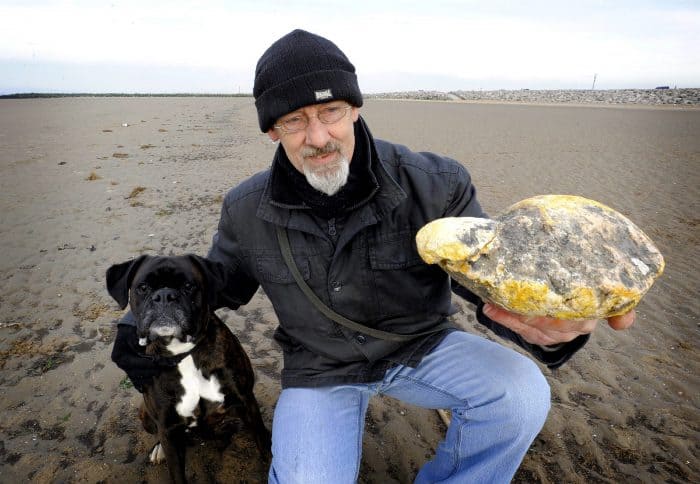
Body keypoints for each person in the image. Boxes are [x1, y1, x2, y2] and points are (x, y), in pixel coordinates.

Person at [111, 29, 635, 483]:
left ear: (356, 106)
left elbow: (491, 287)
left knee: (521, 394)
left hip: (422, 346)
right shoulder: (244, 209)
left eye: (331, 111)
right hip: (319, 367)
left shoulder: (437, 183)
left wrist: (545, 324)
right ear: (271, 129)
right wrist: (142, 322)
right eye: (294, 120)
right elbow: (217, 288)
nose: (319, 137)